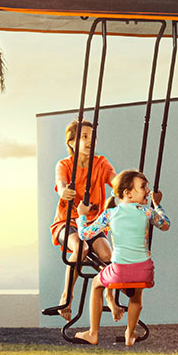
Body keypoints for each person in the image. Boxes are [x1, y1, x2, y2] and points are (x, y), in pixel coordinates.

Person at [71, 170, 170, 346]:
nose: (147, 190)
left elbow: (85, 234)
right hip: (144, 271)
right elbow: (165, 225)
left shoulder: (110, 214)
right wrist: (157, 204)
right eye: (143, 187)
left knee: (96, 284)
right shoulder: (147, 212)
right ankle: (130, 334)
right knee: (136, 298)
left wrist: (82, 215)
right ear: (128, 193)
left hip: (119, 271)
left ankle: (93, 333)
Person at [42, 119, 116, 319]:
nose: (90, 141)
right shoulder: (65, 164)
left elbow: (115, 180)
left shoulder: (101, 163)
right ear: (72, 142)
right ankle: (67, 296)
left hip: (93, 224)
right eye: (84, 137)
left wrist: (129, 185)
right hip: (68, 223)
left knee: (108, 257)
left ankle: (109, 295)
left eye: (92, 137)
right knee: (81, 248)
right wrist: (65, 191)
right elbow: (61, 183)